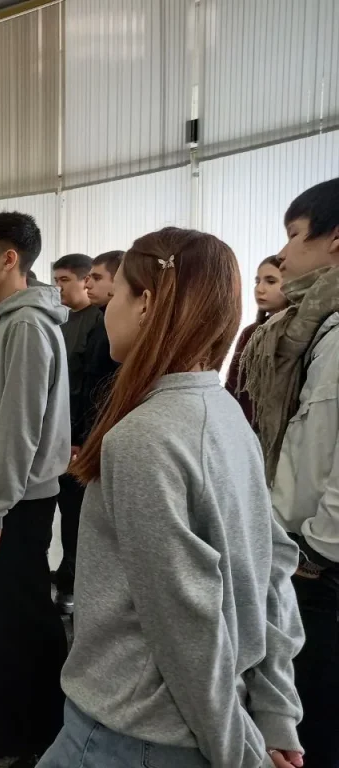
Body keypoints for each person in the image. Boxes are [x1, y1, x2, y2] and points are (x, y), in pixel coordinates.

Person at [39, 228, 304, 768]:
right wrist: (274, 714)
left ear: (146, 303)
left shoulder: (144, 437)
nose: (104, 311)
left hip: (132, 731)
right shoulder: (224, 413)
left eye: (115, 294)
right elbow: (272, 570)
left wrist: (241, 752)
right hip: (194, 722)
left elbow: (185, 626)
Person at [0, 212, 70, 768]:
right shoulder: (15, 321)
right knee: (4, 618)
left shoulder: (26, 326)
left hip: (16, 504)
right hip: (14, 498)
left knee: (17, 621)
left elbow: (19, 428)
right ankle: (13, 726)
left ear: (9, 260)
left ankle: (35, 734)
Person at [243, 177, 339, 767]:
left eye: (295, 235)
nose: (282, 254)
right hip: (307, 549)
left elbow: (324, 454)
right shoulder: (309, 327)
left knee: (318, 718)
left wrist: (316, 554)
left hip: (321, 564)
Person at [51, 253, 101, 615]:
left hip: (79, 438)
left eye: (65, 280)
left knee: (76, 518)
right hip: (55, 435)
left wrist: (81, 439)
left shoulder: (98, 323)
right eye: (55, 280)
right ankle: (61, 575)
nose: (58, 288)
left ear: (86, 281)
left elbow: (91, 389)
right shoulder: (59, 321)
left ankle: (72, 584)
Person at [224, 255, 285, 424]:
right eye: (257, 281)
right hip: (244, 426)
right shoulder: (250, 333)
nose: (260, 289)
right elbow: (233, 385)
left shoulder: (298, 333)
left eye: (270, 281)